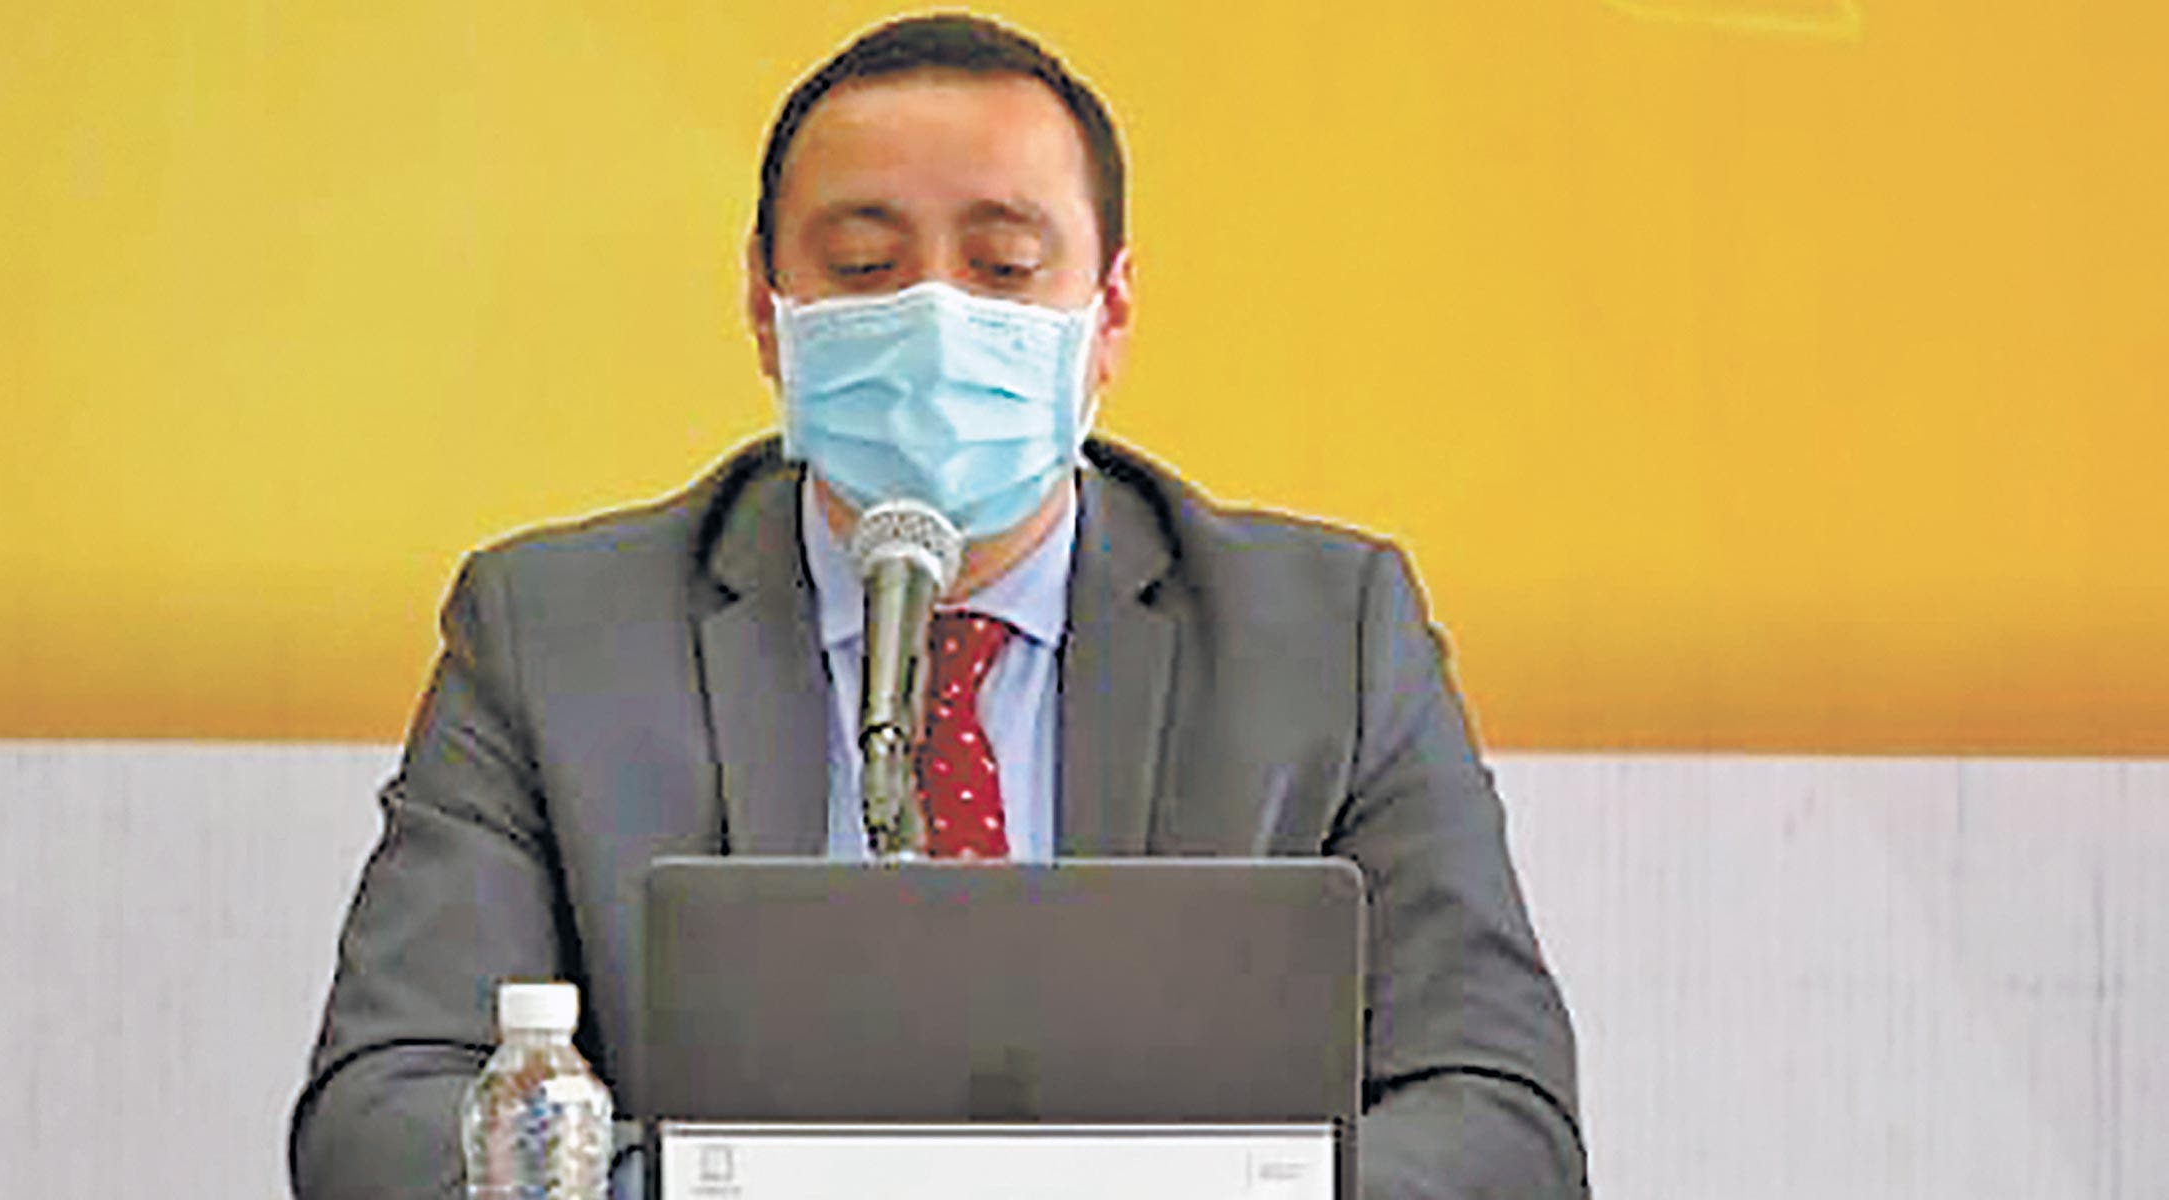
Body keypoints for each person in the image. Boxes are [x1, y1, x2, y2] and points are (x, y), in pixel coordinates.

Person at [292, 13, 1584, 1198]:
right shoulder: (556, 637)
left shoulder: (1325, 638)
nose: (934, 317)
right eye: (864, 265)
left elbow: (1499, 1117)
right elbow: (382, 1112)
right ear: (767, 311)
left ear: (1109, 315)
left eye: (1004, 266)